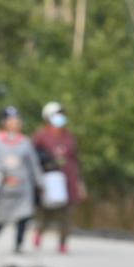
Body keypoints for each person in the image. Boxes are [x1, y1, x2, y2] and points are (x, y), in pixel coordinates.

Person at [0, 107, 43, 253]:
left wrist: (40, 183)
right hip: (2, 186)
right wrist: (2, 171)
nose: (15, 123)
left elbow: (33, 164)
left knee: (24, 215)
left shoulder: (25, 142)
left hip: (23, 186)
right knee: (0, 216)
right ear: (4, 122)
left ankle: (19, 244)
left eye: (17, 121)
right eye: (11, 120)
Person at [32, 101, 85, 254]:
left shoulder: (69, 137)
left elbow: (75, 159)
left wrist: (80, 182)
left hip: (69, 178)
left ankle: (63, 242)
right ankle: (39, 232)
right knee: (47, 211)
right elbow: (33, 156)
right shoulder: (41, 136)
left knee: (67, 213)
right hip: (50, 178)